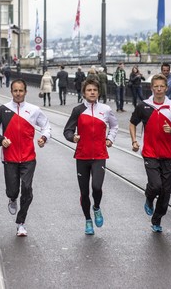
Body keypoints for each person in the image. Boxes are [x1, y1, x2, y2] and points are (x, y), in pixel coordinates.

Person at [0, 79, 51, 237]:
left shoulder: (34, 110)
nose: (18, 94)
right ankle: (12, 198)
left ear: (25, 92)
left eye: (21, 91)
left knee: (27, 189)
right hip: (9, 157)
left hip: (29, 158)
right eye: (15, 91)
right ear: (11, 92)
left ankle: (20, 223)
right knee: (12, 190)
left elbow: (46, 125)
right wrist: (1, 139)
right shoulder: (3, 110)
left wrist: (44, 137)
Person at [129, 74, 171, 233]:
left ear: (166, 88)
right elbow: (132, 123)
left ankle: (157, 219)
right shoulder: (143, 106)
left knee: (166, 192)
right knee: (156, 185)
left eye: (162, 87)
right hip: (150, 152)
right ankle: (148, 197)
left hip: (168, 154)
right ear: (151, 88)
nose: (159, 89)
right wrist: (134, 141)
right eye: (156, 87)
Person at [63, 78, 118, 235]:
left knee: (97, 187)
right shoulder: (78, 110)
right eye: (89, 90)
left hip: (100, 155)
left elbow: (114, 126)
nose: (92, 92)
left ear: (98, 92)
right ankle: (88, 220)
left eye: (94, 90)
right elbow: (67, 130)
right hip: (82, 156)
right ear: (84, 93)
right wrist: (72, 137)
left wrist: (110, 138)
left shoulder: (106, 109)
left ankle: (97, 207)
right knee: (84, 192)